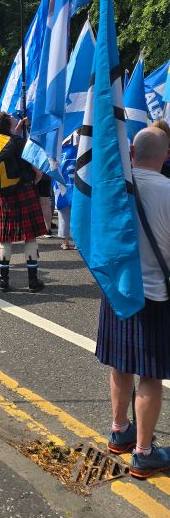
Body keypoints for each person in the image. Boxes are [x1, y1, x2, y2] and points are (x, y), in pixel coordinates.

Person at [97, 126, 170, 478]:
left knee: (121, 364)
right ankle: (143, 453)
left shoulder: (111, 189)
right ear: (166, 155)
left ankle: (119, 429)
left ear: (131, 153)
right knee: (151, 375)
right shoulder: (168, 191)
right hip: (156, 295)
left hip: (118, 291)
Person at [0, 112, 46, 293]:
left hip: (3, 196)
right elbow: (38, 172)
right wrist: (32, 183)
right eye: (12, 119)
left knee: (5, 238)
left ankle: (3, 281)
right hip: (24, 191)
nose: (15, 119)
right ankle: (33, 281)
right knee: (30, 236)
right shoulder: (20, 142)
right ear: (8, 125)